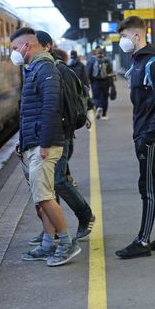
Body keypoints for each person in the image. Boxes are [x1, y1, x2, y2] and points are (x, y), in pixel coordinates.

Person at [10, 27, 81, 267]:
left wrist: (45, 142)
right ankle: (48, 242)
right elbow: (28, 112)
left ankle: (66, 243)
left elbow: (51, 107)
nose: (13, 54)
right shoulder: (34, 69)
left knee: (45, 197)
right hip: (33, 143)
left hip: (44, 144)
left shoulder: (46, 69)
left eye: (14, 49)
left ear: (26, 46)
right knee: (40, 199)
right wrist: (23, 141)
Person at [115, 16, 155, 259]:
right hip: (143, 132)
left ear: (136, 36)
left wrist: (148, 136)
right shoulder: (139, 62)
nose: (122, 41)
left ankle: (142, 240)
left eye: (123, 36)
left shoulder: (153, 64)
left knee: (147, 186)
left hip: (149, 135)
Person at [31, 32, 95, 243]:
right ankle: (52, 230)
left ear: (46, 47)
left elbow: (65, 104)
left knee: (57, 181)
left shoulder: (57, 70)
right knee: (48, 184)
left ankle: (85, 215)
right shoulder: (45, 68)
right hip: (52, 134)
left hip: (60, 134)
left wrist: (55, 135)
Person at [86, 47, 113, 120]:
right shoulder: (107, 61)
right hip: (105, 82)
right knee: (105, 98)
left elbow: (88, 72)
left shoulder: (92, 61)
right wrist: (111, 84)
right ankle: (104, 114)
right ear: (103, 53)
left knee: (96, 97)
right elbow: (110, 72)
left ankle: (98, 107)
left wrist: (89, 82)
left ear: (96, 53)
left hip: (95, 82)